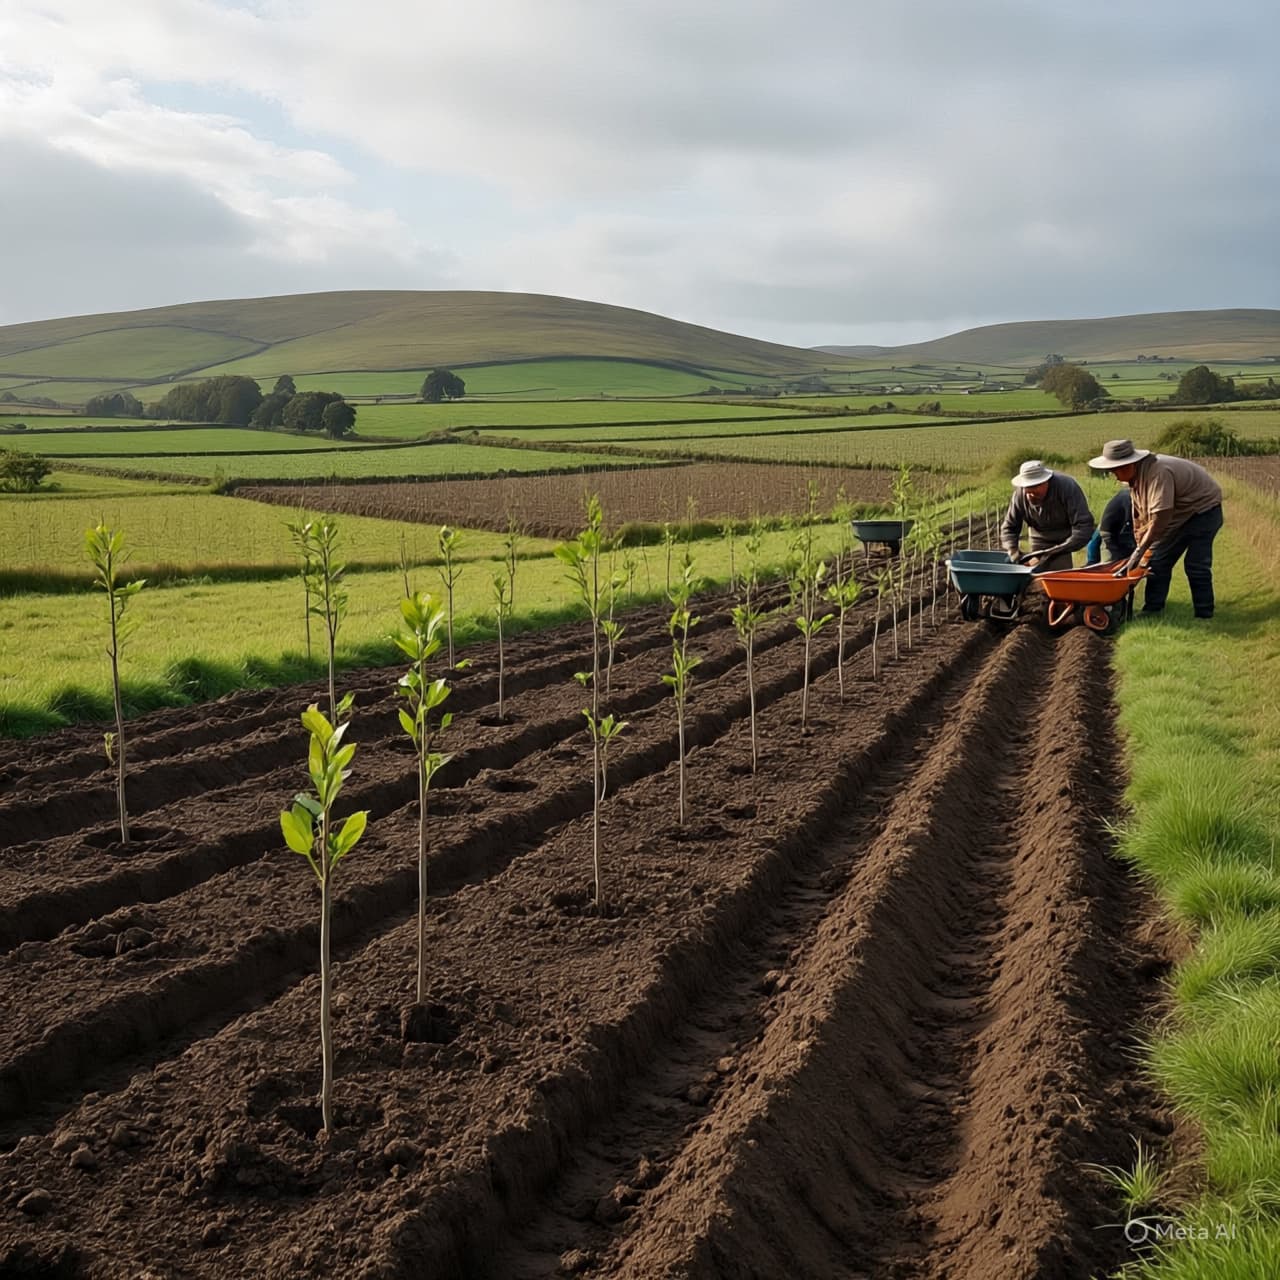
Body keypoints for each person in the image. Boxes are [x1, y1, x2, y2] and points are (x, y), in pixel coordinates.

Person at [1088, 438, 1224, 618]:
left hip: (1204, 511)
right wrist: (1142, 547)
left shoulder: (1158, 474)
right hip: (1180, 514)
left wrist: (1141, 550)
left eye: (1114, 470)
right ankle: (1152, 609)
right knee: (1157, 561)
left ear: (1127, 465)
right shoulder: (1136, 478)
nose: (1113, 474)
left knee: (1195, 564)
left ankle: (1204, 614)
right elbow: (1142, 515)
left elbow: (1161, 518)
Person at [1000, 460, 1095, 572]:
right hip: (1038, 537)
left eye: (1035, 489)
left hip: (1064, 541)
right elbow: (1009, 528)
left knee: (1059, 577)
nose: (1031, 495)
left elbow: (1084, 526)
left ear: (1046, 482)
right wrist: (1013, 552)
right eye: (1028, 490)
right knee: (1033, 577)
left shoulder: (1067, 487)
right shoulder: (1019, 495)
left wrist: (1051, 553)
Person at [1085, 488, 1136, 565]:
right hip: (1112, 532)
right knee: (1113, 565)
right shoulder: (1129, 498)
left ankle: (1092, 564)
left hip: (1110, 526)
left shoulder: (1125, 494)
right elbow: (1131, 521)